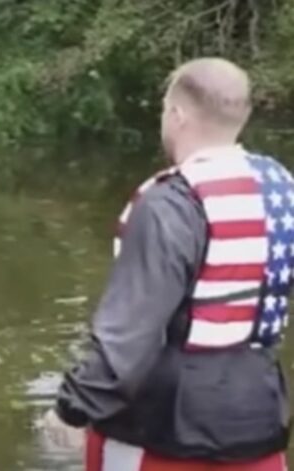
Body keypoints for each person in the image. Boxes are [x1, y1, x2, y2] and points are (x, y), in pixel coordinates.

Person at [42, 57, 293, 470]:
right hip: (258, 422)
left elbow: (131, 330)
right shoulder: (282, 188)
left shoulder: (171, 202)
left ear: (176, 114)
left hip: (160, 432)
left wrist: (72, 408)